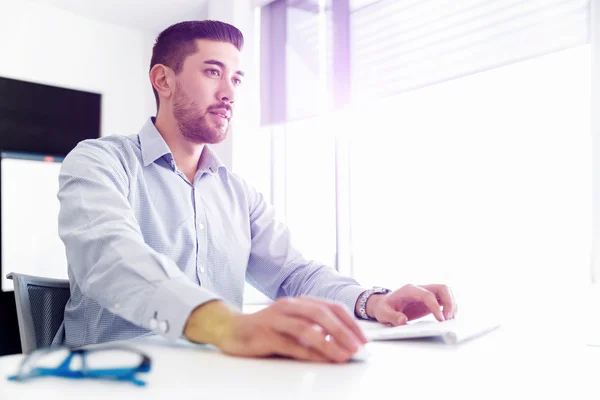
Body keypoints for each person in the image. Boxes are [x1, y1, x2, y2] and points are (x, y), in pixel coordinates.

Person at [56, 20, 457, 363]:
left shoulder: (238, 193)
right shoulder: (99, 161)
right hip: (105, 377)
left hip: (210, 375)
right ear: (163, 79)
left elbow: (294, 274)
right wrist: (228, 325)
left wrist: (371, 302)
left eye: (236, 78)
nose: (229, 93)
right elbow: (108, 257)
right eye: (213, 72)